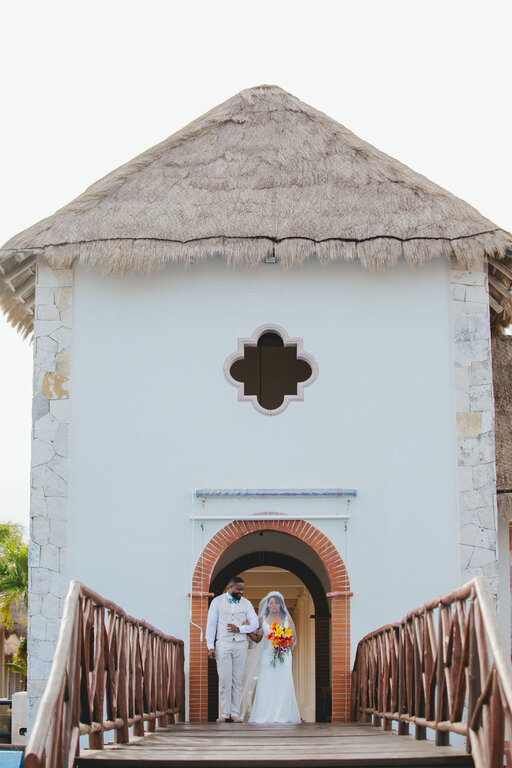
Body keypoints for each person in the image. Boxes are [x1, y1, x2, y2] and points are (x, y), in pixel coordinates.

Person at [240, 591, 301, 724]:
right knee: (267, 683)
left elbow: (292, 638)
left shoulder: (287, 620)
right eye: (271, 603)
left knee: (283, 683)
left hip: (284, 656)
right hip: (267, 655)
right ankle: (265, 714)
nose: (273, 605)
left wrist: (283, 641)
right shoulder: (262, 620)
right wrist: (247, 629)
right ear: (267, 605)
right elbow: (257, 638)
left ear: (281, 605)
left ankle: (283, 715)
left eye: (276, 603)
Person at [205, 575, 258, 722]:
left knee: (237, 679)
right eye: (238, 589)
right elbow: (211, 624)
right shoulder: (217, 602)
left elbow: (255, 624)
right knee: (224, 678)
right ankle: (224, 714)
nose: (241, 592)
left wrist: (240, 628)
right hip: (223, 642)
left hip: (241, 643)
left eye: (243, 590)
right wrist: (210, 646)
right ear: (230, 587)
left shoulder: (246, 604)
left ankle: (235, 713)